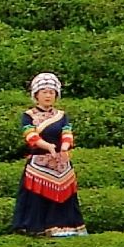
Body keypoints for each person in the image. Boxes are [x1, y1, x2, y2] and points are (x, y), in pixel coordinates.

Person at [13, 74, 87, 236]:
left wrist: (65, 146)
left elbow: (67, 132)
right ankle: (36, 228)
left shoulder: (61, 115)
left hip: (61, 161)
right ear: (36, 95)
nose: (48, 96)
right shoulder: (28, 116)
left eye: (51, 92)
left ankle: (64, 227)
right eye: (44, 92)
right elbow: (30, 135)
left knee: (65, 196)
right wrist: (47, 146)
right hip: (39, 162)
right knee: (36, 197)